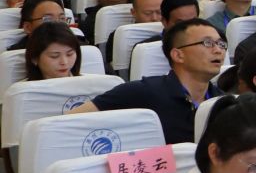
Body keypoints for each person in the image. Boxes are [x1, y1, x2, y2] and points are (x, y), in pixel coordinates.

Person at [74, 18, 225, 143]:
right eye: (207, 43)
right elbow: (70, 122)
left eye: (221, 44)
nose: (218, 50)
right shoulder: (143, 92)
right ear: (178, 55)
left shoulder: (223, 102)